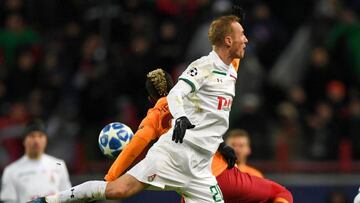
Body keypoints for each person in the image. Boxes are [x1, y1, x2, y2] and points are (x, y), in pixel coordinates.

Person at [29, 14, 247, 203]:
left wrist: (220, 144)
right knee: (118, 190)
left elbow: (207, 115)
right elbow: (176, 93)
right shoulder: (204, 67)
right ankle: (51, 200)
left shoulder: (230, 69)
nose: (246, 39)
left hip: (201, 167)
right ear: (228, 40)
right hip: (175, 154)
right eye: (242, 35)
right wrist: (180, 117)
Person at [105, 69, 293, 203]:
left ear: (149, 100)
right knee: (281, 192)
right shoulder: (193, 100)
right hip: (221, 174)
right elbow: (213, 122)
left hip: (189, 182)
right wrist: (221, 146)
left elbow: (135, 146)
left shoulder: (153, 117)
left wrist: (111, 177)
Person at [0, 119, 71, 203]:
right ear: (24, 140)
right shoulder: (11, 171)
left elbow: (68, 197)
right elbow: (8, 201)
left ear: (46, 140)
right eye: (32, 136)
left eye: (40, 136)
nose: (36, 141)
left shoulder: (59, 164)